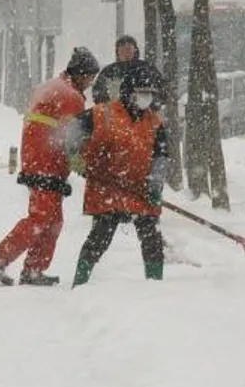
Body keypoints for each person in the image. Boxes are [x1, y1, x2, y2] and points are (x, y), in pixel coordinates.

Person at [0, 47, 101, 286]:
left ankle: (34, 269)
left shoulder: (50, 87)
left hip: (36, 159)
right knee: (41, 218)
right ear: (80, 73)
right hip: (48, 163)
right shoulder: (70, 96)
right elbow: (72, 137)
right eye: (90, 77)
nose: (90, 82)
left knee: (52, 220)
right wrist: (84, 165)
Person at [67, 65, 172, 287]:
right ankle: (80, 283)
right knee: (99, 239)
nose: (146, 98)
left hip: (141, 190)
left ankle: (156, 287)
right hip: (107, 187)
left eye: (149, 93)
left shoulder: (154, 122)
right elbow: (70, 133)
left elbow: (161, 155)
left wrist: (155, 184)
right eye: (141, 92)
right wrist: (76, 158)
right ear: (128, 93)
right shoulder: (102, 113)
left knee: (152, 240)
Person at [92, 34, 167, 109]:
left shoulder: (147, 69)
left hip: (145, 115)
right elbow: (98, 94)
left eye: (128, 49)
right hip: (116, 115)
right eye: (122, 50)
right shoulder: (109, 71)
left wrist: (151, 105)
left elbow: (161, 90)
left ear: (135, 50)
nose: (125, 53)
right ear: (117, 52)